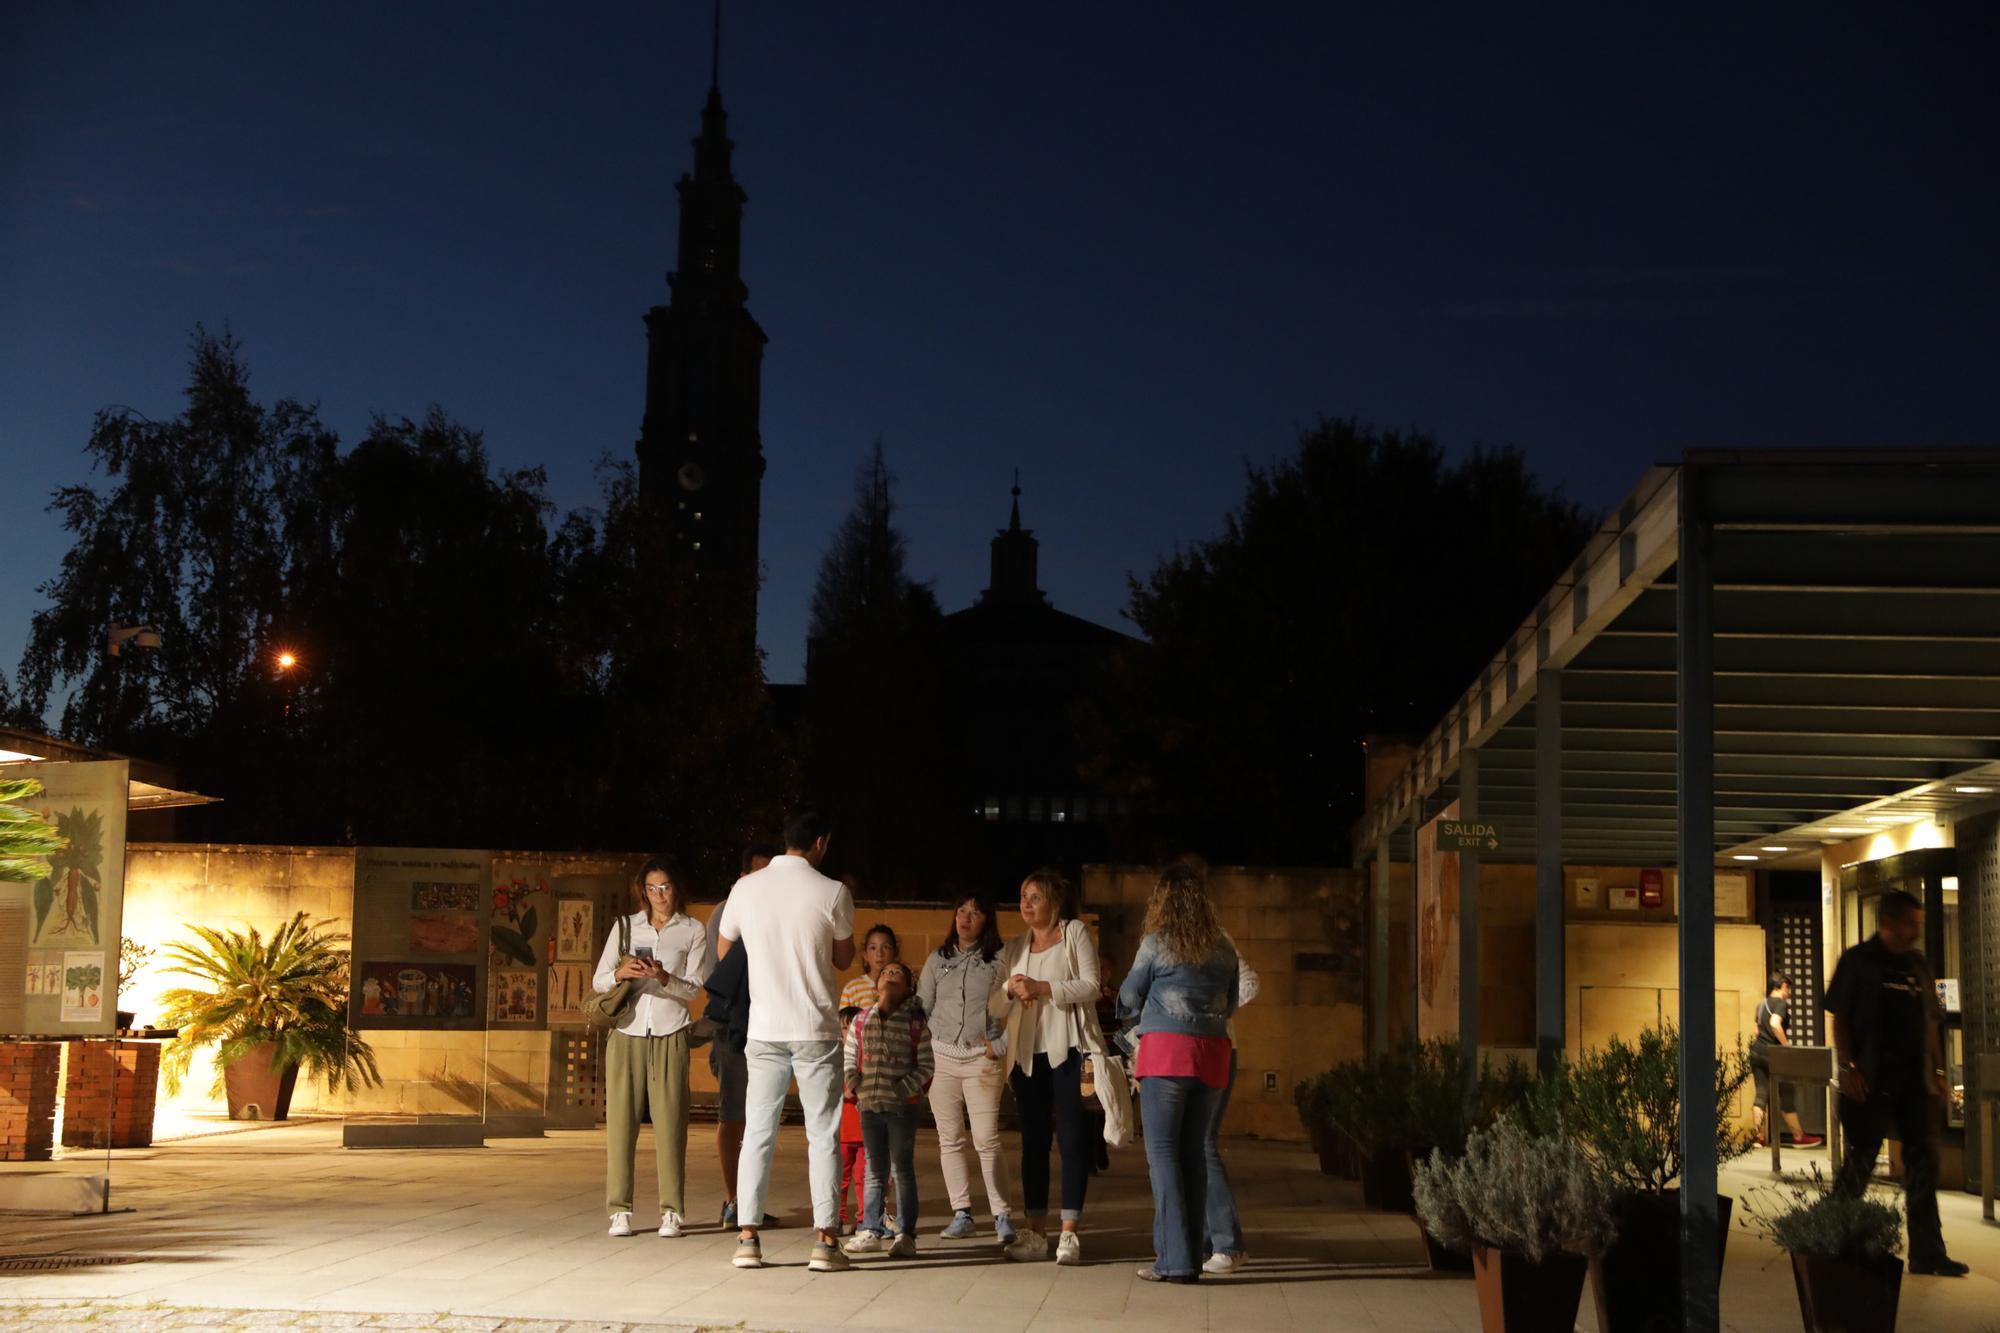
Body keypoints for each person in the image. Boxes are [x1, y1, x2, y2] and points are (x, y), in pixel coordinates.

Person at [717, 803, 856, 1274]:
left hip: (764, 1028)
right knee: (823, 1133)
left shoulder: (746, 887)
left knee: (758, 1132)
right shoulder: (833, 891)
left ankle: (748, 1237)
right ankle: (824, 1240)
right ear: (821, 842)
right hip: (815, 1028)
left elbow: (724, 947)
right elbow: (843, 958)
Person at [1825, 889, 1968, 1278]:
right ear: (1889, 923)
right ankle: (1827, 1239)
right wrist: (1848, 1067)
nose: (1915, 932)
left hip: (1915, 1082)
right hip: (1871, 1079)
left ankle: (1927, 1252)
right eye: (1911, 924)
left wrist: (1939, 1074)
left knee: (1924, 1162)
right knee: (1862, 1158)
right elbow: (1840, 1018)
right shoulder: (1858, 962)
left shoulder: (1918, 965)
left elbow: (1932, 1023)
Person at [1118, 861, 1240, 1284]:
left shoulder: (1157, 943)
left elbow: (1130, 994)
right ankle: (1189, 1255)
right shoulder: (1223, 946)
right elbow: (1233, 1001)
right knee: (1194, 1157)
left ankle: (1173, 1260)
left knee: (1164, 1156)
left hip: (1167, 1054)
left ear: (1162, 902)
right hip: (1212, 1053)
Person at [989, 868, 1110, 1266]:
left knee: (1072, 1140)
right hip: (1028, 1057)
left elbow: (1091, 985)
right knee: (1033, 1143)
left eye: (1035, 897)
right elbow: (995, 1005)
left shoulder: (1073, 933)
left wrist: (1043, 988)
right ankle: (1035, 1231)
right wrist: (1012, 987)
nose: (1026, 903)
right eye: (1023, 895)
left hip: (1067, 1050)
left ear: (1055, 903)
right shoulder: (1015, 947)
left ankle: (1069, 1233)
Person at [594, 854, 712, 1239]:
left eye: (665, 887)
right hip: (627, 1031)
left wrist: (664, 976)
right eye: (651, 888)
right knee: (621, 1124)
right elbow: (599, 981)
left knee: (672, 1124)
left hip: (670, 1031)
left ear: (676, 888)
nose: (659, 894)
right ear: (642, 891)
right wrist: (621, 972)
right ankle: (619, 1210)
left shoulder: (693, 929)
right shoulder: (626, 927)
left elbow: (694, 989)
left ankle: (672, 1211)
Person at [918, 892, 1016, 1244]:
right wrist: (921, 1055)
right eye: (961, 910)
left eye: (976, 912)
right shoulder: (937, 959)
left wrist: (1001, 1045)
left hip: (981, 1059)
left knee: (987, 1139)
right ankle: (962, 1213)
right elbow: (922, 1008)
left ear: (987, 920)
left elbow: (1017, 1007)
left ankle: (1002, 1215)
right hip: (941, 1058)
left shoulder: (1000, 960)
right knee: (950, 1141)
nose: (966, 918)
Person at [705, 842, 780, 1229]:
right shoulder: (727, 910)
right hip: (735, 1027)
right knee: (733, 1114)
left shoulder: (776, 910)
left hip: (768, 1024)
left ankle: (748, 1200)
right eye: (758, 872)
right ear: (743, 875)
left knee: (758, 1119)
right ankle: (733, 1199)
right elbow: (718, 969)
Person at [841, 959, 934, 1259]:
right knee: (873, 1169)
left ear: (908, 988)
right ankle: (870, 1228)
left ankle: (906, 1234)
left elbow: (926, 1066)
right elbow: (849, 1057)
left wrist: (901, 1090)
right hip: (869, 1107)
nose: (889, 974)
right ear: (876, 983)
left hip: (901, 1110)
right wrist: (856, 1086)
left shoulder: (915, 1024)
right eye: (885, 972)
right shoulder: (861, 1020)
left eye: (897, 973)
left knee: (902, 1169)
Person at [838, 924, 902, 1235]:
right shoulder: (853, 989)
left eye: (886, 947)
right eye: (873, 948)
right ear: (865, 955)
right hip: (855, 1084)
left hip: (884, 1084)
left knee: (877, 1160)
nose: (880, 954)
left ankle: (875, 1213)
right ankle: (838, 1216)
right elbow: (842, 1029)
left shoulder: (900, 990)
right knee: (845, 1162)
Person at [1749, 971, 1824, 1150]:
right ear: (1782, 985)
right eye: (1788, 987)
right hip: (1773, 1053)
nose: (1789, 992)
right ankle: (1798, 1136)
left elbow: (1756, 1031)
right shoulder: (1781, 1004)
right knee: (1787, 1092)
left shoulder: (1761, 1005)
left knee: (1761, 1093)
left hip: (1756, 1051)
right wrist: (1786, 1046)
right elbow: (1775, 1024)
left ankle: (1758, 1138)